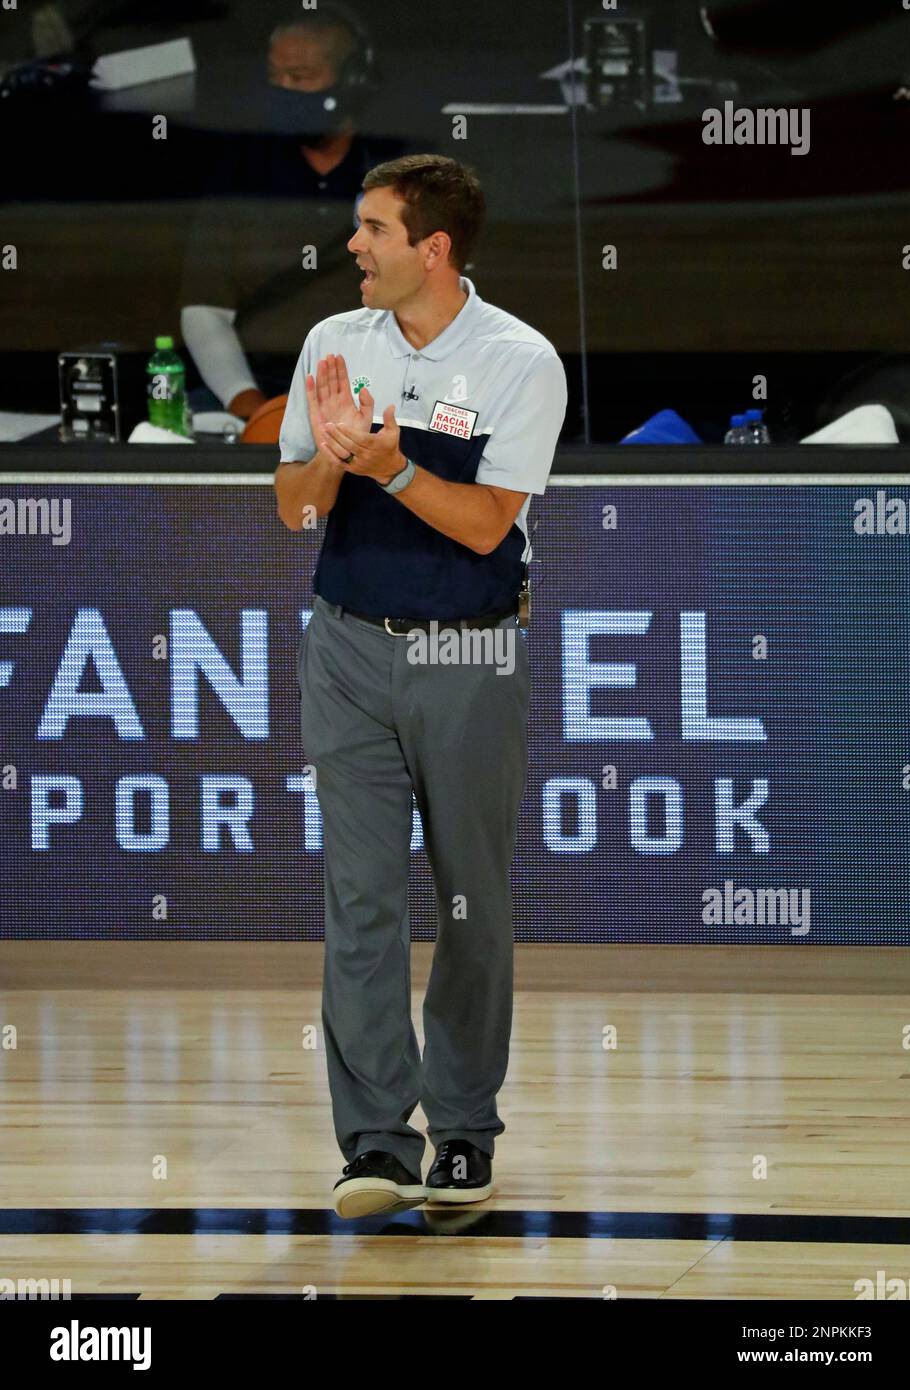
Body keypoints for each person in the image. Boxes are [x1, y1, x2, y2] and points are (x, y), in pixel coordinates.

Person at [274, 154, 568, 1219]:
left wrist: (394, 467)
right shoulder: (332, 344)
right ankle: (372, 1145)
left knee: (468, 901)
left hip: (468, 654)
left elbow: (490, 525)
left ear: (431, 249)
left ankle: (462, 1135)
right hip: (345, 645)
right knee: (359, 900)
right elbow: (291, 507)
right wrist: (336, 461)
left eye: (372, 230)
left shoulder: (518, 360)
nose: (352, 245)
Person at [180, 3, 405, 419]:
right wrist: (252, 406)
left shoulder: (397, 171)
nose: (283, 90)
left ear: (351, 81)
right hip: (255, 394)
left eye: (299, 78)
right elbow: (204, 309)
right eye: (275, 78)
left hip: (377, 396)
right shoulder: (241, 167)